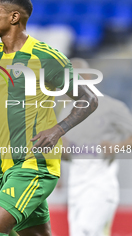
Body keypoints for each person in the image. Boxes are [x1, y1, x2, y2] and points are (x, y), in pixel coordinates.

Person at [0, 0, 98, 236]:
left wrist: (59, 129)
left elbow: (89, 99)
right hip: (4, 167)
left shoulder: (46, 57)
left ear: (14, 17)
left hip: (34, 166)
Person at [58, 58, 132, 236]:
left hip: (101, 184)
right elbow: (67, 153)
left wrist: (118, 146)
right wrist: (61, 152)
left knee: (87, 230)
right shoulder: (65, 111)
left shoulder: (111, 107)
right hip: (75, 186)